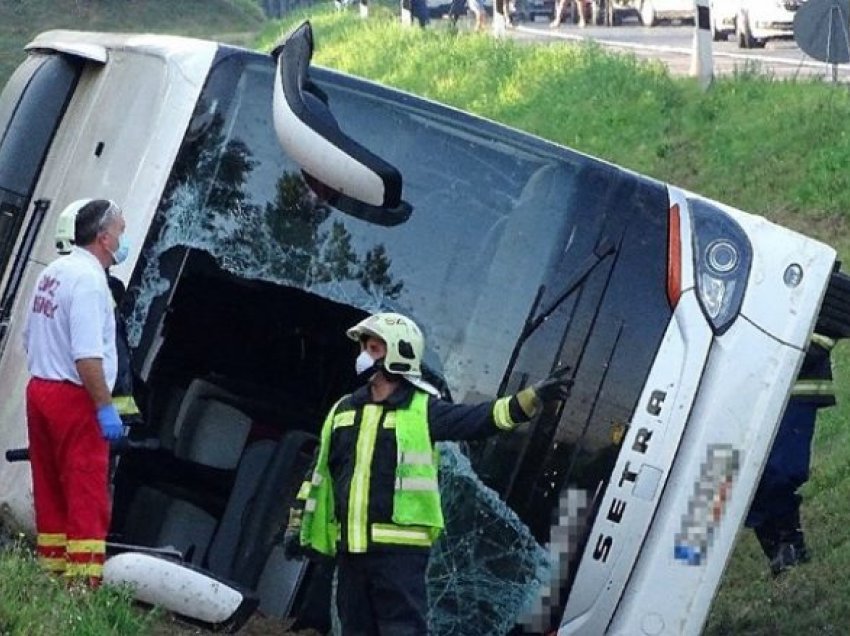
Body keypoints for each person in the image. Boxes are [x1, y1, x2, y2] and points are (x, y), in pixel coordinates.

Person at [284, 312, 573, 635]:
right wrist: (299, 527)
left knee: (402, 630)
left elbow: (480, 419)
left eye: (375, 348)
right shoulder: (344, 410)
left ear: (398, 353)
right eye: (365, 347)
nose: (365, 356)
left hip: (399, 555)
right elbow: (319, 473)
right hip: (351, 551)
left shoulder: (422, 410)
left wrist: (531, 399)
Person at [23, 198, 129, 585]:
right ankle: (82, 587)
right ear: (103, 238)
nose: (122, 238)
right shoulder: (89, 281)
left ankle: (51, 576)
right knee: (86, 491)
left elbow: (28, 336)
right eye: (120, 231)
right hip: (74, 397)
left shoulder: (54, 271)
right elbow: (87, 356)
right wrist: (104, 408)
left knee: (50, 486)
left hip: (41, 389)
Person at [745, 333, 836, 576]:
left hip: (796, 379)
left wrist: (813, 342)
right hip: (740, 382)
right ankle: (781, 551)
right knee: (742, 478)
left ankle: (788, 545)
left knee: (782, 470)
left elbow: (836, 303)